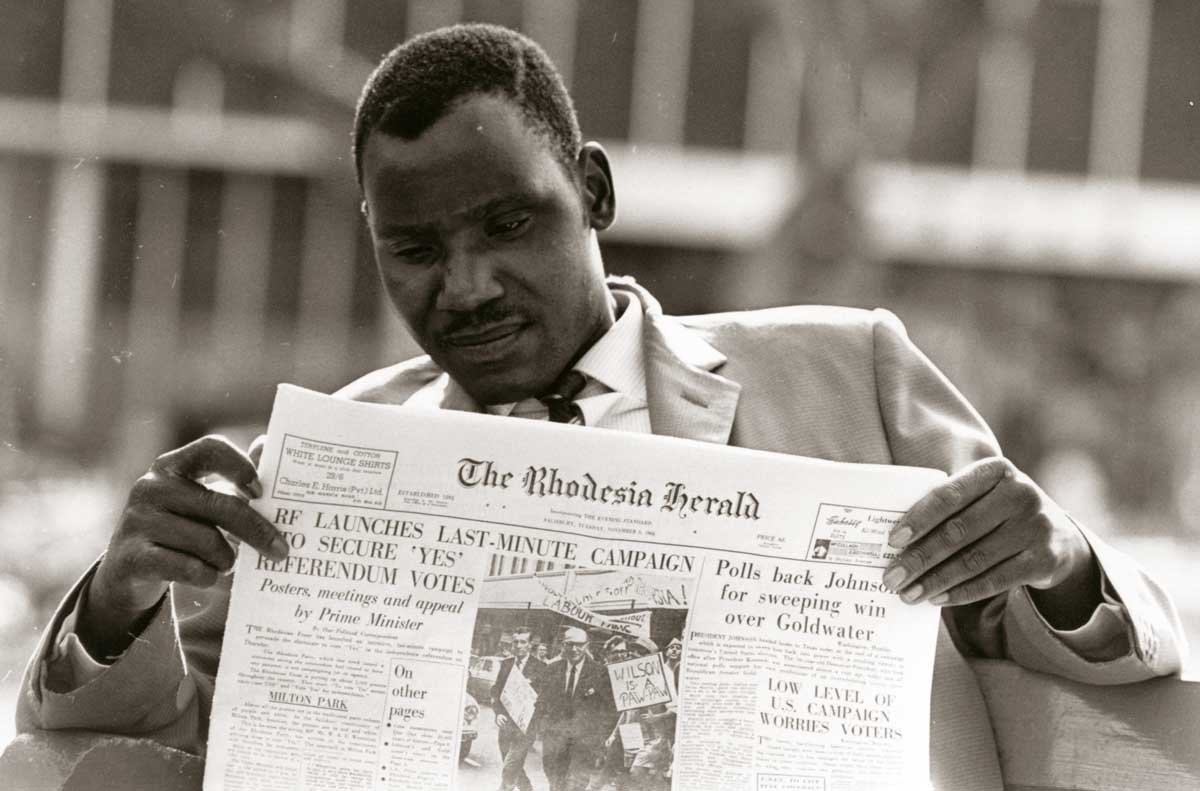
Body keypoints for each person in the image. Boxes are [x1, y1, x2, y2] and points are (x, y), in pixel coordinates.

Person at [16, 23, 1186, 791]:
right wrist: (119, 601)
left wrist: (1065, 561)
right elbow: (155, 743)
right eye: (414, 249)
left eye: (508, 224)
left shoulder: (849, 374)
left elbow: (1078, 655)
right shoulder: (324, 459)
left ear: (593, 190)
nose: (464, 285)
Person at [532, 628, 617, 791]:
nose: (574, 649)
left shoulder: (600, 673)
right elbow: (541, 702)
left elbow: (609, 710)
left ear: (587, 645)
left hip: (584, 743)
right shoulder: (552, 669)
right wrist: (543, 727)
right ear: (563, 645)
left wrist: (599, 739)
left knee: (574, 786)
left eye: (579, 645)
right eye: (569, 644)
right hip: (555, 741)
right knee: (555, 783)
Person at [490, 629, 546, 791]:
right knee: (512, 765)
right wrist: (498, 712)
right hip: (506, 725)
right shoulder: (506, 664)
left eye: (523, 642)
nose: (519, 646)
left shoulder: (541, 667)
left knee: (510, 766)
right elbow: (496, 690)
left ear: (530, 645)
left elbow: (544, 699)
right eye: (516, 642)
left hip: (525, 728)